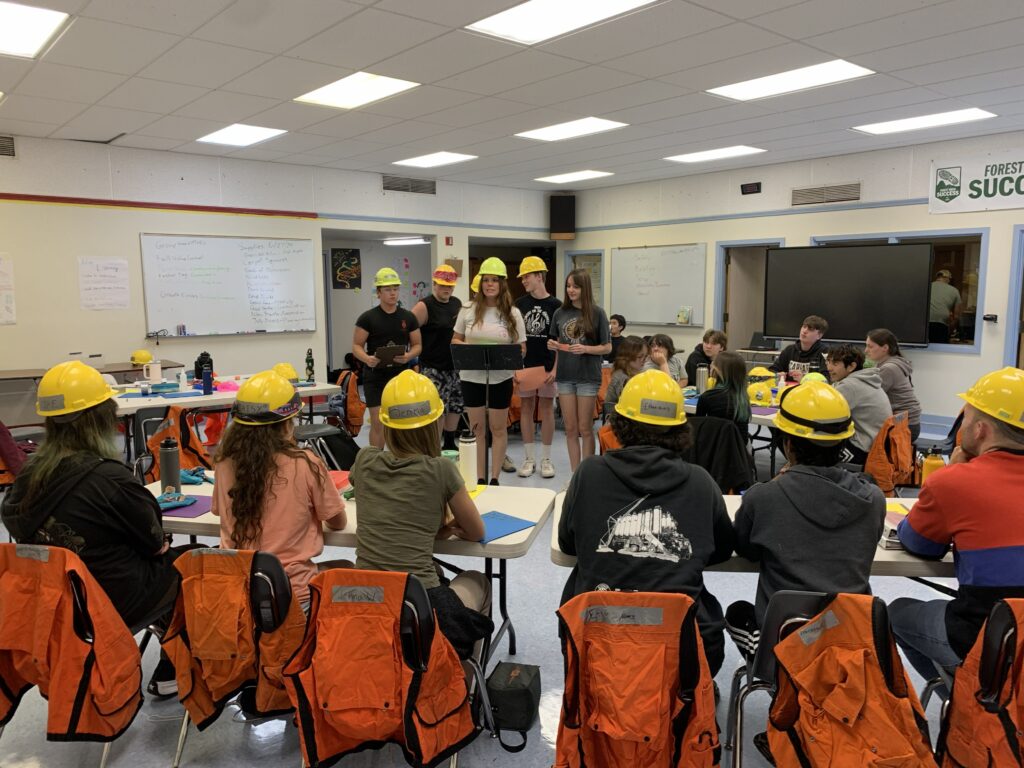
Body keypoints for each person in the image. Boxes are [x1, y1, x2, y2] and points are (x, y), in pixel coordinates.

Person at [0, 360, 184, 696]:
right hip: (115, 603)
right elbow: (154, 542)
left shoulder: (25, 480)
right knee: (191, 564)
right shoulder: (110, 480)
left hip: (59, 609)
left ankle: (169, 650)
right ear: (101, 419)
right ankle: (180, 663)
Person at [558, 369, 735, 675]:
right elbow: (721, 551)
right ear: (680, 429)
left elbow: (567, 544)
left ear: (621, 424)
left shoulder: (589, 474)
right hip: (686, 655)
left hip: (594, 646)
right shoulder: (701, 483)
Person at [890, 367, 1024, 688]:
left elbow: (920, 544)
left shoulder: (954, 482)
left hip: (984, 634)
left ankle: (965, 698)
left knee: (896, 612)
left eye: (963, 417)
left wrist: (955, 471)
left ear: (980, 430)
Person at [351, 370, 493, 658]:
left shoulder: (365, 459)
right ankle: (463, 681)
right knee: (478, 580)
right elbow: (477, 531)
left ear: (386, 425)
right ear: (437, 423)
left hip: (367, 597)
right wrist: (450, 528)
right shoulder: (441, 469)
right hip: (417, 601)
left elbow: (366, 485)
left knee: (437, 571)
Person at [733, 380, 885, 627]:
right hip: (849, 636)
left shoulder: (762, 497)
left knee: (738, 613)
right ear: (843, 443)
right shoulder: (874, 499)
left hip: (783, 638)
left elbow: (747, 550)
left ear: (788, 444)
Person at [212, 370, 347, 608]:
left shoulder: (224, 463)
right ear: (287, 422)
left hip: (237, 592)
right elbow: (338, 522)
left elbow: (219, 512)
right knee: (350, 570)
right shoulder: (305, 463)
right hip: (294, 595)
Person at [453, 257, 526, 485]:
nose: (490, 284)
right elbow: (455, 340)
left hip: (500, 377)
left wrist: (511, 353)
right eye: (486, 280)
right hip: (471, 376)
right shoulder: (467, 309)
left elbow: (521, 348)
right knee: (477, 429)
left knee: (497, 427)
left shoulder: (513, 313)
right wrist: (473, 349)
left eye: (494, 280)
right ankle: (480, 477)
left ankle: (495, 477)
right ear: (480, 283)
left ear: (502, 284)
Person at [548, 268, 611, 471]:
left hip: (587, 377)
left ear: (585, 288)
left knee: (585, 428)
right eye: (568, 286)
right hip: (565, 377)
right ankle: (576, 475)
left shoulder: (597, 313)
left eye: (575, 286)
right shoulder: (560, 313)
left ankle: (588, 473)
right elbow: (557, 342)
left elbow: (607, 347)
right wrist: (553, 345)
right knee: (570, 428)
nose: (571, 290)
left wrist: (586, 348)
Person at [352, 267, 422, 449]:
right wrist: (367, 359)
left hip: (400, 376)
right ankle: (376, 461)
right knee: (378, 422)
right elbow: (356, 346)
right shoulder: (368, 318)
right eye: (388, 290)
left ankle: (400, 459)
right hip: (375, 376)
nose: (393, 293)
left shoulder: (408, 317)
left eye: (395, 289)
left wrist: (408, 356)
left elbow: (418, 346)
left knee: (401, 422)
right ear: (379, 293)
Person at [514, 255, 561, 479]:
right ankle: (529, 458)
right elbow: (513, 338)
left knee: (546, 409)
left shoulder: (556, 306)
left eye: (527, 276)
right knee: (525, 408)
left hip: (547, 367)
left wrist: (555, 370)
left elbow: (561, 343)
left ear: (539, 276)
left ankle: (546, 459)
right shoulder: (519, 304)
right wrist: (515, 367)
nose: (523, 281)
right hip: (525, 366)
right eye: (522, 277)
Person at [411, 264, 463, 451]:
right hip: (433, 366)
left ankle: (449, 441)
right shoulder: (424, 306)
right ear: (434, 284)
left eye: (449, 286)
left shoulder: (457, 304)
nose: (446, 289)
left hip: (455, 365)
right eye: (442, 285)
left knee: (456, 405)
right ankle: (434, 445)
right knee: (437, 408)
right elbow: (408, 330)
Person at [825, 344, 892, 467]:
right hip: (876, 446)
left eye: (835, 364)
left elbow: (824, 413)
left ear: (851, 366)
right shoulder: (865, 379)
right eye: (828, 362)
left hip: (862, 449)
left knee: (811, 447)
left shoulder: (850, 386)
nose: (829, 368)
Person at [865, 328, 922, 443]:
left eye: (870, 346)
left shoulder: (889, 368)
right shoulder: (893, 362)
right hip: (909, 423)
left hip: (904, 427)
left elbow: (870, 396)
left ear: (885, 348)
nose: (866, 350)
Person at [696, 350, 751, 436]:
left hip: (714, 445)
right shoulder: (743, 398)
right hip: (739, 447)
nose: (711, 365)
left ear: (718, 370)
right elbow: (743, 436)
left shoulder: (707, 397)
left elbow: (698, 427)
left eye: (714, 363)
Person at [769, 314, 829, 380]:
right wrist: (777, 375)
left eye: (810, 329)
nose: (804, 331)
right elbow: (772, 370)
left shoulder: (825, 352)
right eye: (804, 327)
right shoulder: (789, 350)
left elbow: (826, 379)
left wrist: (803, 379)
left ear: (819, 335)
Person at [602, 335, 647, 416]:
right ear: (628, 356)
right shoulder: (621, 376)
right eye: (640, 356)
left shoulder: (638, 371)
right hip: (620, 417)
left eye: (646, 356)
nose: (644, 360)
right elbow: (629, 406)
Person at [928, 269, 962, 344]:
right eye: (950, 279)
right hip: (942, 325)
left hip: (924, 324)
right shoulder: (954, 291)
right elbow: (956, 316)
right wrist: (950, 331)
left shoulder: (927, 287)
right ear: (947, 278)